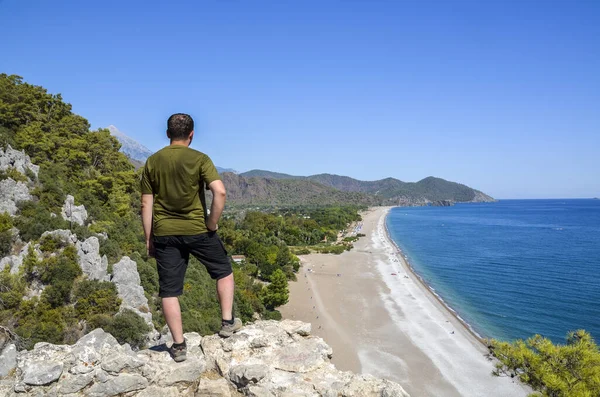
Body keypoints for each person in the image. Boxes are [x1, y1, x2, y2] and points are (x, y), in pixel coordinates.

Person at [140, 113, 242, 362]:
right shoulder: (200, 159)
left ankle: (178, 346)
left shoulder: (152, 162)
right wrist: (212, 223)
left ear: (167, 134)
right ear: (192, 135)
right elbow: (220, 192)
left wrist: (149, 238)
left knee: (169, 290)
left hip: (165, 233)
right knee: (223, 271)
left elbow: (146, 203)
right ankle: (227, 323)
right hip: (198, 230)